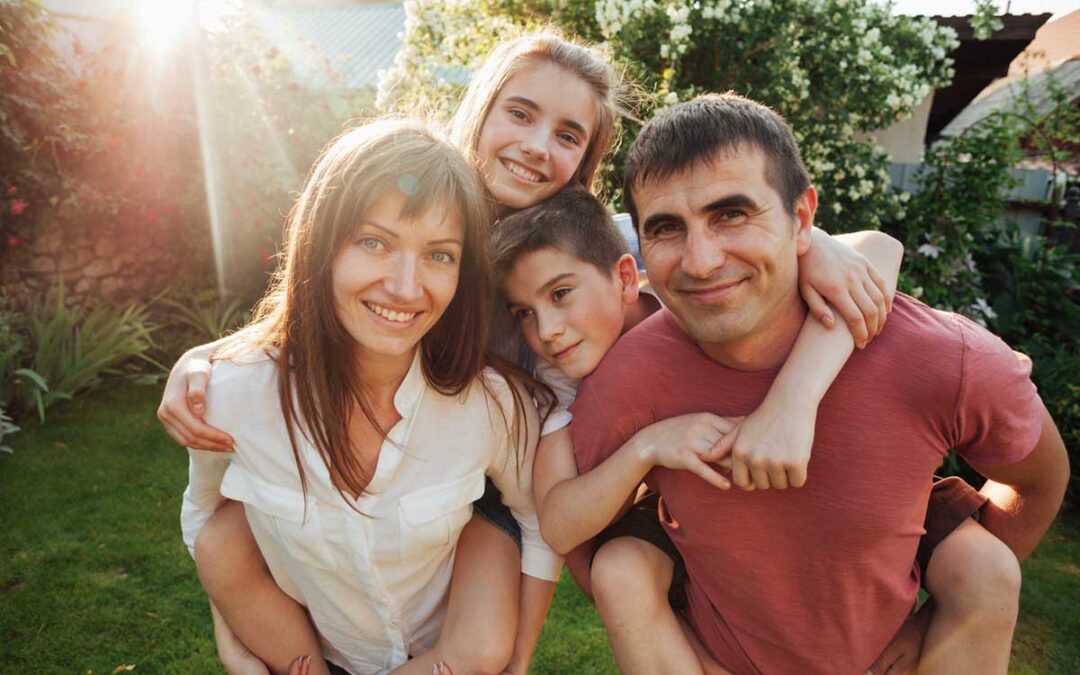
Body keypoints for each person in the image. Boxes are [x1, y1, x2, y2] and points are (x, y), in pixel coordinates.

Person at [163, 32, 901, 674]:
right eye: (520, 113)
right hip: (445, 466)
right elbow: (316, 306)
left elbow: (878, 248)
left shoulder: (581, 236)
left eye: (568, 134)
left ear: (586, 160)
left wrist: (824, 255)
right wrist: (199, 360)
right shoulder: (413, 207)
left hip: (526, 473)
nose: (537, 145)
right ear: (480, 112)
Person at [564, 93, 1069, 675]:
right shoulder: (628, 379)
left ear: (802, 218)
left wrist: (944, 617)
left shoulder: (939, 355)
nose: (701, 261)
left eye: (731, 213)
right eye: (667, 228)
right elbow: (575, 529)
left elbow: (1039, 476)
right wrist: (675, 642)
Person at [181, 119, 557, 675]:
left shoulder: (491, 407)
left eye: (439, 255)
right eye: (374, 242)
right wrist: (236, 641)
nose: (406, 288)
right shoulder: (231, 397)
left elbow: (534, 520)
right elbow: (207, 519)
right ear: (320, 246)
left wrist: (518, 658)